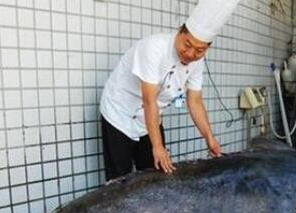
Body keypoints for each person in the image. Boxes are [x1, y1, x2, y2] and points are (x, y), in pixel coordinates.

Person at [99, 0, 240, 180]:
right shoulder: (154, 48)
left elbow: (195, 101)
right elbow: (149, 100)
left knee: (157, 175)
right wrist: (157, 147)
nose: (190, 54)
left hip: (148, 120)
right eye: (187, 45)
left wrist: (209, 137)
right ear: (179, 32)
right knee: (119, 179)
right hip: (119, 113)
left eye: (199, 50)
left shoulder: (197, 63)